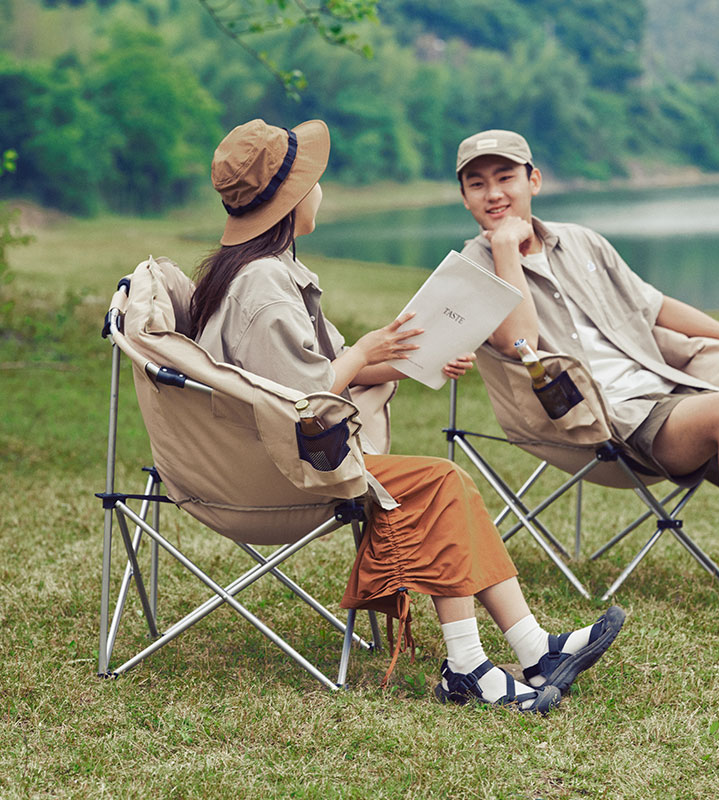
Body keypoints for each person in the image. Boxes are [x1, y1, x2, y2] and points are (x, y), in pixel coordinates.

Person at [189, 118, 625, 712]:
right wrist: (365, 352)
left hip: (264, 457)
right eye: (313, 182)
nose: (321, 191)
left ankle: (531, 648)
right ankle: (469, 667)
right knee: (441, 482)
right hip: (276, 475)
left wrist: (401, 357)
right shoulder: (264, 285)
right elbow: (299, 396)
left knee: (445, 484)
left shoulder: (249, 268)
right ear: (292, 200)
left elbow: (315, 369)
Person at [455, 128, 719, 639]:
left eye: (506, 178)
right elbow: (521, 341)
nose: (494, 194)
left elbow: (654, 306)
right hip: (606, 421)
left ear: (535, 181)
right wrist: (506, 252)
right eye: (477, 184)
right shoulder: (471, 270)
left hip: (672, 392)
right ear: (464, 197)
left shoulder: (582, 241)